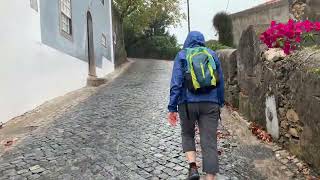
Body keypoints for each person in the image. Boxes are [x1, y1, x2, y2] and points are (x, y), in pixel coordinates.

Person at [167, 31, 224, 180]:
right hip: (210, 103)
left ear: (187, 41)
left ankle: (193, 168)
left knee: (187, 134)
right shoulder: (212, 54)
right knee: (209, 141)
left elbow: (176, 83)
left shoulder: (181, 55)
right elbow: (220, 81)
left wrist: (172, 108)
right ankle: (210, 178)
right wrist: (220, 102)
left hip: (187, 104)